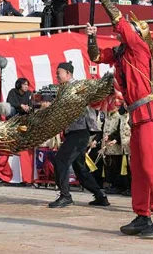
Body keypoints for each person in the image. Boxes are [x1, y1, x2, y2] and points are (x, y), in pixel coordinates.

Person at [86, 0, 153, 237]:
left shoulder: (140, 47)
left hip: (148, 112)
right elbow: (94, 56)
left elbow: (120, 23)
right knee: (138, 168)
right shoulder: (122, 55)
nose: (118, 36)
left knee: (152, 166)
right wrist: (91, 35)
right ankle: (142, 215)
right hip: (137, 115)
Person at [48, 62, 110, 209]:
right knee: (79, 167)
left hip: (80, 130)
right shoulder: (65, 89)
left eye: (59, 73)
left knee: (60, 161)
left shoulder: (75, 87)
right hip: (76, 131)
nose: (57, 76)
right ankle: (100, 196)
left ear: (68, 73)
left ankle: (65, 196)